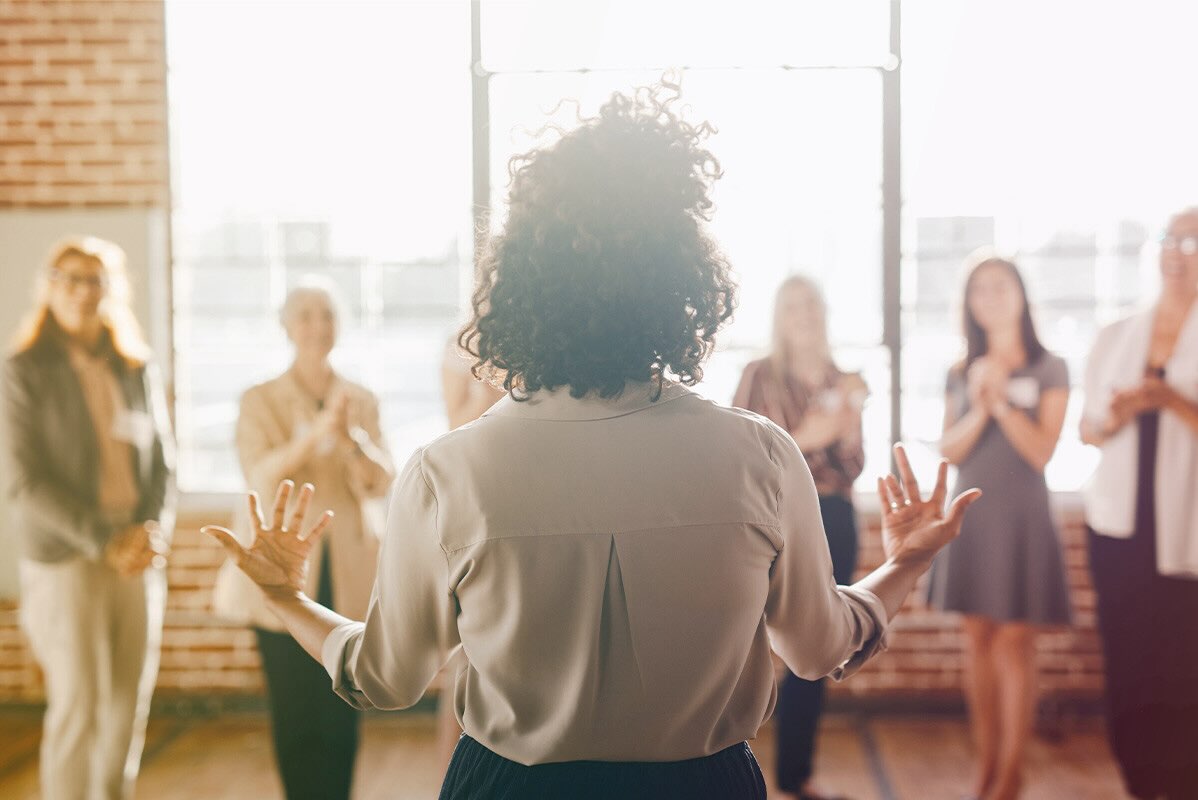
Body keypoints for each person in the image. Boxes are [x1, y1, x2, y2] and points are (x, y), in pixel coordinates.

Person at [203, 82, 980, 800]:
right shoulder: (761, 456)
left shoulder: (448, 472)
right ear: (684, 288)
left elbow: (385, 676)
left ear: (514, 289)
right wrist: (907, 560)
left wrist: (285, 596)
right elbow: (819, 649)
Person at [2, 236, 175, 800]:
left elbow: (162, 466)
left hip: (136, 555)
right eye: (69, 278)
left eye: (94, 279)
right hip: (66, 557)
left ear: (110, 290)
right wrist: (106, 541)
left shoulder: (134, 366)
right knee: (79, 705)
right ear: (49, 288)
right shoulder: (25, 369)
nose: (82, 291)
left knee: (127, 705)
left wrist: (149, 533)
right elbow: (27, 483)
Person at [212, 281, 394, 800]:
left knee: (344, 701)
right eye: (307, 315)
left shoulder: (361, 399)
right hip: (282, 568)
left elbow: (383, 482)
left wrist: (353, 440)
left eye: (328, 315)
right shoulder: (260, 399)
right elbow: (260, 475)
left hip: (349, 571)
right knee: (294, 708)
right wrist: (314, 435)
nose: (318, 326)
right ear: (287, 327)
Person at [929, 252, 1072, 800]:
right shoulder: (959, 370)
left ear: (1020, 293)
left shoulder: (1049, 366)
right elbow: (949, 447)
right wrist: (982, 406)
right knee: (978, 639)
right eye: (978, 289)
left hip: (1024, 516)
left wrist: (1003, 401)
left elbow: (1041, 452)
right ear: (968, 304)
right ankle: (984, 770)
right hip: (974, 512)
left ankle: (1012, 775)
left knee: (1016, 643)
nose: (990, 296)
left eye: (1000, 285)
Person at [1079, 207, 1198, 800]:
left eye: (1192, 240)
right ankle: (1137, 781)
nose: (1177, 250)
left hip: (1188, 536)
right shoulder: (1117, 334)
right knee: (1128, 666)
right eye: (1168, 238)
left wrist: (1174, 401)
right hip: (1120, 532)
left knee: (1183, 671)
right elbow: (1088, 429)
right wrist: (1120, 413)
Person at [733, 275, 866, 800]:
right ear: (777, 316)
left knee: (818, 645)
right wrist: (814, 435)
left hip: (833, 516)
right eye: (792, 306)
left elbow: (853, 464)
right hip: (769, 517)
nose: (804, 314)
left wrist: (841, 429)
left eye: (811, 304)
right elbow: (744, 454)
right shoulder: (758, 375)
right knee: (745, 643)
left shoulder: (845, 379)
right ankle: (728, 770)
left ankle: (795, 775)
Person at [431, 337, 506, 767]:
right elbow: (454, 427)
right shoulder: (465, 342)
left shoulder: (556, 325)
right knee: (466, 648)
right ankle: (454, 774)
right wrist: (487, 389)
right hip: (477, 493)